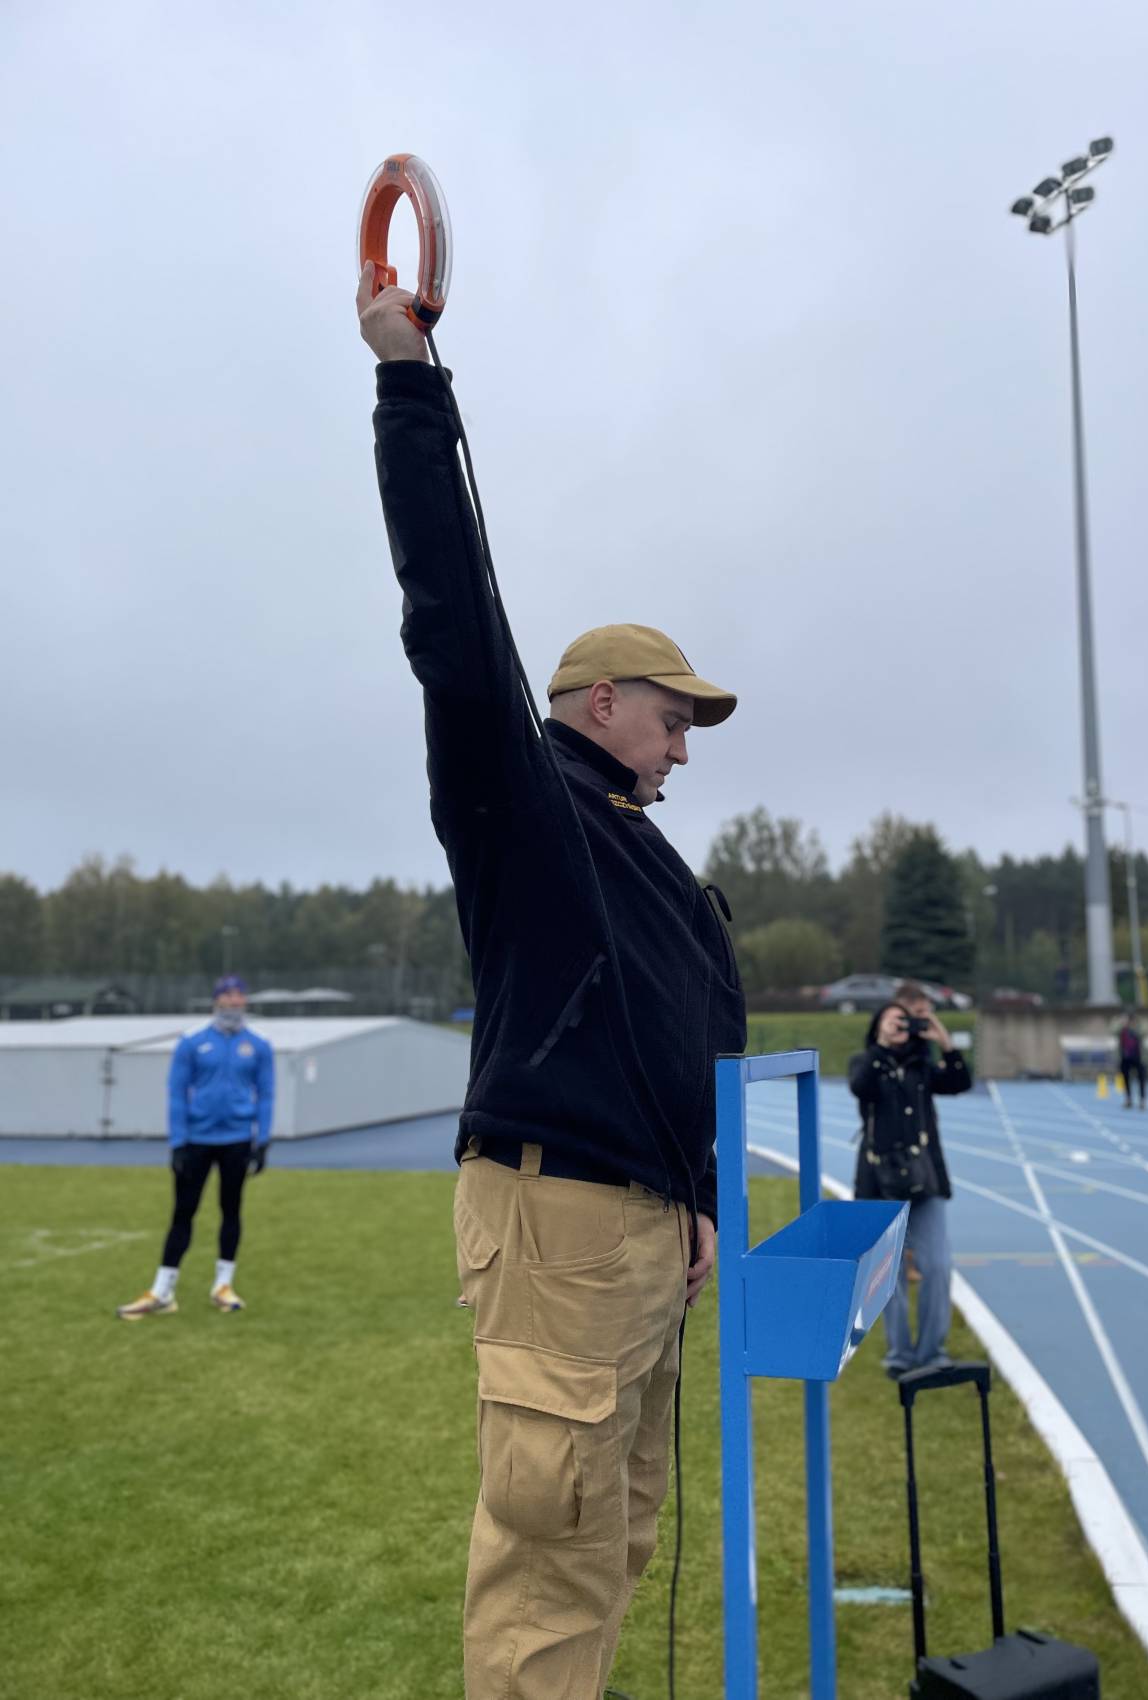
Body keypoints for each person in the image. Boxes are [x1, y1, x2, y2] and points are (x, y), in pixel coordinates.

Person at [357, 265, 747, 1700]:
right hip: (561, 1216)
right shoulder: (526, 804)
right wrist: (410, 388)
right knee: (551, 1557)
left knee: (616, 1530)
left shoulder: (641, 847)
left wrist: (696, 1191)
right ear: (600, 704)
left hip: (644, 1226)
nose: (686, 748)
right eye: (673, 719)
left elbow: (685, 1022)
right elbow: (454, 630)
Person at [116, 976, 273, 1320]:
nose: (234, 1001)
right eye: (227, 995)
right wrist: (178, 1142)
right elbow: (176, 1093)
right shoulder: (192, 1042)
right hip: (197, 1142)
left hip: (236, 1141)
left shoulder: (259, 1045)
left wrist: (262, 1141)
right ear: (216, 1001)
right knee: (183, 1213)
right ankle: (163, 1290)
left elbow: (266, 1094)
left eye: (239, 995)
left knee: (231, 1210)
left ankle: (223, 1285)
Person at [849, 982, 970, 1378]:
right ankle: (899, 1354)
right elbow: (861, 1086)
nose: (900, 1026)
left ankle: (932, 1352)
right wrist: (881, 1044)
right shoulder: (865, 1062)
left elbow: (960, 1082)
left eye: (904, 1022)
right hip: (878, 1183)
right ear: (877, 1027)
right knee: (889, 1272)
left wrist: (944, 1043)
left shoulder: (921, 1066)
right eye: (892, 1020)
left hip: (925, 1179)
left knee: (938, 1265)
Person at [1115, 1010, 1148, 1109]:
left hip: (1139, 1057)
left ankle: (1142, 1100)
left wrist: (1134, 1025)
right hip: (1125, 1057)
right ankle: (1128, 1099)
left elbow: (1144, 1031)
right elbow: (1113, 1030)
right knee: (1126, 1079)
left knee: (1141, 1079)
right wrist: (1121, 1023)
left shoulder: (1140, 1025)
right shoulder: (1122, 1027)